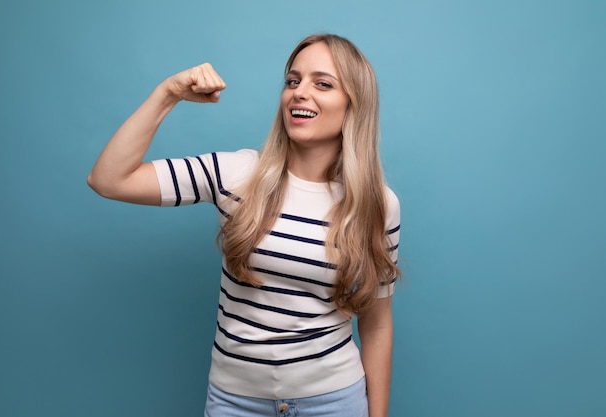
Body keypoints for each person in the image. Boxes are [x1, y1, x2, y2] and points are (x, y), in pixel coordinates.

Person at [88, 33, 401, 417]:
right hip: (234, 403)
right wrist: (168, 93)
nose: (300, 92)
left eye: (323, 83)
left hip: (334, 402)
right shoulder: (236, 174)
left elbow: (377, 325)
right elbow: (108, 179)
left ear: (354, 105)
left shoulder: (378, 205)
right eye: (292, 81)